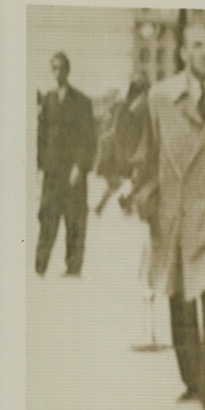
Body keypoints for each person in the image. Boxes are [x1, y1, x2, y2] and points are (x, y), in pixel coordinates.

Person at [135, 20, 205, 410]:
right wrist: (145, 196)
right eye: (196, 46)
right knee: (181, 295)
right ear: (183, 53)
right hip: (177, 212)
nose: (204, 53)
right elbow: (147, 153)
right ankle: (193, 377)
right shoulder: (160, 97)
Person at [35, 52, 96, 278]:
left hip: (73, 174)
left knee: (75, 221)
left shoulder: (81, 101)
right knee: (47, 219)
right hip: (52, 173)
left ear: (68, 71)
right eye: (54, 68)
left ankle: (73, 268)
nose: (57, 73)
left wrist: (79, 167)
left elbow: (88, 138)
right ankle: (40, 266)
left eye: (61, 68)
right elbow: (41, 137)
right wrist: (40, 167)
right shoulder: (48, 101)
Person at [93, 75, 150, 216]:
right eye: (143, 92)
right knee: (121, 181)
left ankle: (121, 204)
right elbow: (117, 133)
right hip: (121, 152)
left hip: (128, 150)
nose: (145, 95)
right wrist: (124, 156)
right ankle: (123, 204)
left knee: (121, 182)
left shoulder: (137, 109)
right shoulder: (124, 108)